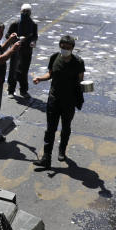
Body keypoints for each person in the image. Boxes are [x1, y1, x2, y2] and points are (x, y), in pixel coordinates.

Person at [32, 35, 85, 169]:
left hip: (69, 102)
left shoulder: (78, 62)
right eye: (63, 47)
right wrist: (40, 78)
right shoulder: (54, 57)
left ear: (72, 48)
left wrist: (83, 88)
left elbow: (80, 81)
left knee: (66, 127)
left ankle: (62, 150)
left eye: (68, 48)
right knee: (50, 129)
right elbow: (50, 74)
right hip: (54, 99)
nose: (64, 49)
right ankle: (46, 158)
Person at [6, 3, 38, 98]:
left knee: (24, 71)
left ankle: (23, 91)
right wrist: (17, 38)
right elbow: (7, 35)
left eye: (27, 12)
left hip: (27, 51)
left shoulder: (33, 24)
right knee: (13, 70)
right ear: (20, 11)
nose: (25, 13)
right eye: (24, 11)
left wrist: (33, 41)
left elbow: (35, 36)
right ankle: (11, 90)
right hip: (16, 51)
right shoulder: (15, 24)